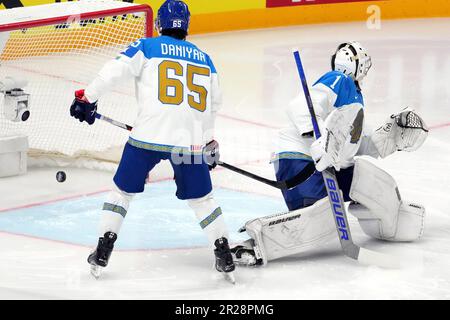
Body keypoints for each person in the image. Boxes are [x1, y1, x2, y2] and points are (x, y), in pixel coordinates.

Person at [69, 0, 235, 282]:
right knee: (203, 200)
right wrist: (207, 142)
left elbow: (112, 71)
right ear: (187, 25)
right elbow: (213, 105)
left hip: (146, 138)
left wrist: (88, 98)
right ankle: (223, 252)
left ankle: (103, 247)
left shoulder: (147, 46)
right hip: (189, 144)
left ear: (159, 24)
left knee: (122, 192)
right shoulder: (205, 59)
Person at [232, 42, 429, 266]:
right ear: (357, 64)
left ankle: (391, 222)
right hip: (300, 160)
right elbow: (300, 107)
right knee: (324, 220)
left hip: (324, 163)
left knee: (369, 178)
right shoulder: (340, 79)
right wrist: (315, 142)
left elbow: (349, 146)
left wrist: (385, 141)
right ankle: (256, 242)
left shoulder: (354, 98)